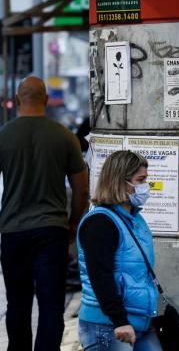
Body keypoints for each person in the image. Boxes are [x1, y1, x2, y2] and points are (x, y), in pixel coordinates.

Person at [0, 76, 89, 351]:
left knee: (17, 303)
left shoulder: (4, 136)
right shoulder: (64, 136)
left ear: (16, 100)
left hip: (13, 231)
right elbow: (81, 189)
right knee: (51, 305)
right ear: (47, 100)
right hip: (52, 232)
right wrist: (73, 223)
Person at [77, 150, 162, 351]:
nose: (145, 187)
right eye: (140, 180)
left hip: (138, 321)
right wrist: (119, 319)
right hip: (109, 325)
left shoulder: (134, 219)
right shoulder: (99, 222)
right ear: (120, 182)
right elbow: (100, 276)